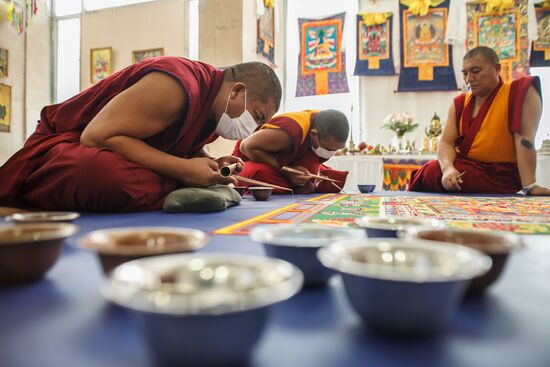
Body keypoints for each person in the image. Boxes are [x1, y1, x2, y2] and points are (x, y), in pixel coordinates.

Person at [0, 57, 282, 211]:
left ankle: (181, 188)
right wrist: (184, 170)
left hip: (123, 154)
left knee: (134, 176)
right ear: (237, 91)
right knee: (102, 173)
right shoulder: (178, 85)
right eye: (256, 116)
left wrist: (210, 163)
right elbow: (96, 136)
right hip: (61, 148)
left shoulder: (212, 111)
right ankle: (178, 189)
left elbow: (178, 144)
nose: (252, 130)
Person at [409, 46, 550, 195]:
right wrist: (448, 169)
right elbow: (446, 143)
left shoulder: (518, 92)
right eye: (465, 73)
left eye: (475, 71)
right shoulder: (460, 102)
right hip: (466, 170)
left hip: (501, 176)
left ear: (497, 69)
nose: (469, 78)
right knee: (432, 171)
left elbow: (524, 139)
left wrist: (529, 186)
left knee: (433, 172)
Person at [233, 109, 349, 194]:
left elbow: (311, 157)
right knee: (260, 174)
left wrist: (315, 172)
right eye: (328, 149)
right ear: (313, 134)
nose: (330, 154)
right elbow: (246, 147)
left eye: (335, 150)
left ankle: (311, 179)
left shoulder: (323, 126)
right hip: (254, 157)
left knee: (334, 180)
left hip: (289, 160)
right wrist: (287, 171)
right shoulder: (290, 132)